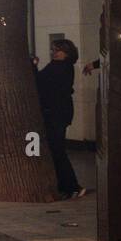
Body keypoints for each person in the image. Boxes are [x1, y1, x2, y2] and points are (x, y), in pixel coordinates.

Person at [36, 39, 86, 199]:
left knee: (57, 150)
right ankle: (66, 185)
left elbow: (40, 81)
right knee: (56, 149)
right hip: (60, 113)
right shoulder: (66, 67)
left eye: (57, 50)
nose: (53, 53)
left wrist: (33, 66)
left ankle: (72, 186)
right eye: (53, 50)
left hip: (55, 113)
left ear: (66, 53)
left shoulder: (58, 67)